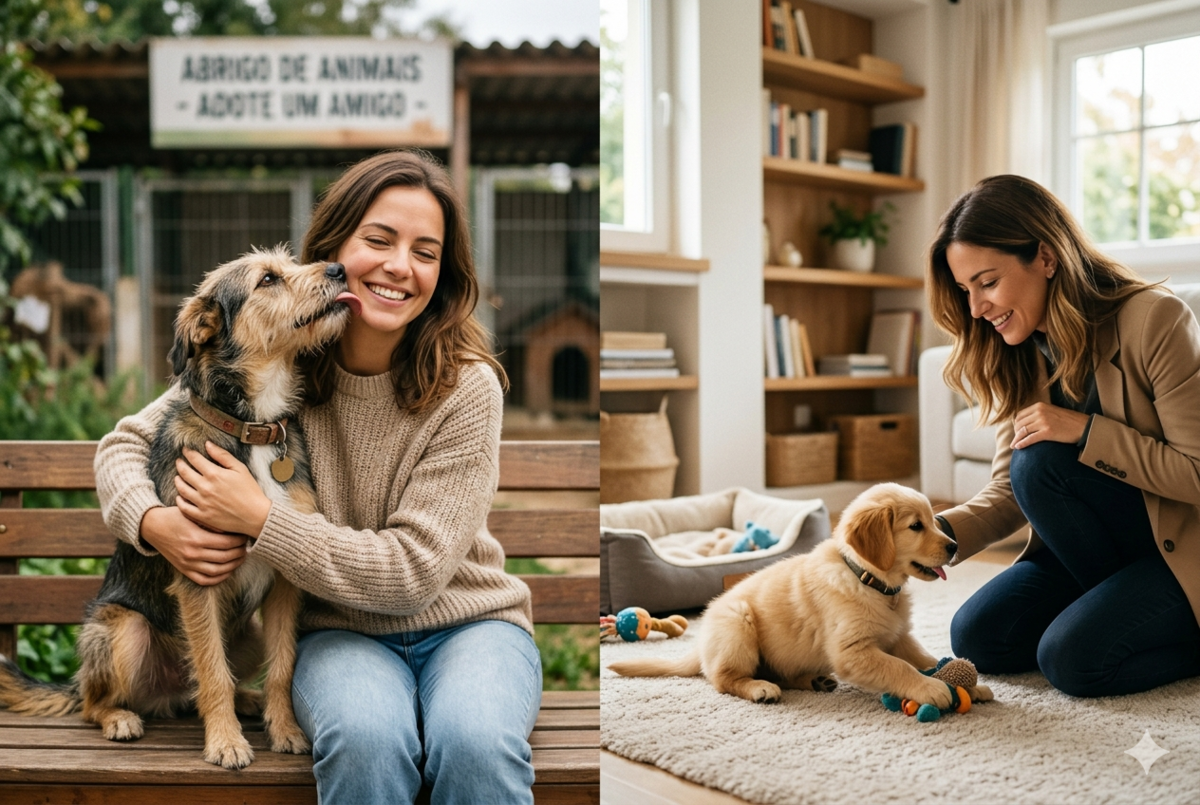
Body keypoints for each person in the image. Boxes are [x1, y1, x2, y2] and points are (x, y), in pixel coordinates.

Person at [93, 149, 541, 803]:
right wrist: (155, 522)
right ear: (335, 252)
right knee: (365, 743)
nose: (399, 266)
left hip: (470, 624)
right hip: (336, 633)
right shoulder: (282, 362)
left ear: (442, 273)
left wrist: (260, 519)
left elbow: (412, 574)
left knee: (474, 745)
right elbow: (123, 444)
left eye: (426, 251)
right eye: (379, 239)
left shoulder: (467, 386)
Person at [926, 174, 1200, 698]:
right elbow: (1011, 492)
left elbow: (1196, 472)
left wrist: (1086, 431)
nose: (976, 309)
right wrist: (929, 536)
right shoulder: (1020, 348)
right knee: (977, 637)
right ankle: (1104, 605)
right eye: (966, 291)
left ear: (1046, 259)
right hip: (1088, 554)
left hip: (1177, 549)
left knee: (1072, 661)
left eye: (987, 282)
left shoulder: (1156, 321)